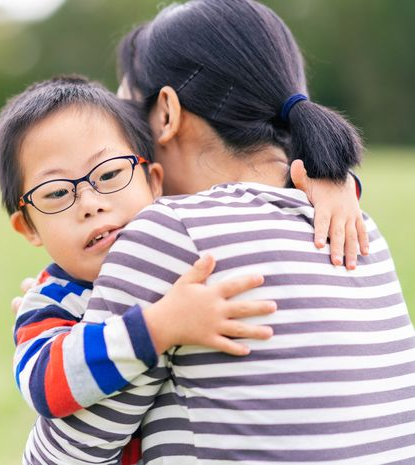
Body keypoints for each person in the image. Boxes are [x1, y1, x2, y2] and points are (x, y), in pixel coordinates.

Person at [63, 0, 414, 463]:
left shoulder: (170, 232)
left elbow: (67, 455)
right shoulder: (357, 227)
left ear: (165, 112)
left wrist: (46, 330)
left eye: (128, 118)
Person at [0, 75, 367, 464]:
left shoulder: (182, 241)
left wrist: (334, 185)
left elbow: (263, 203)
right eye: (55, 193)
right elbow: (44, 383)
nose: (89, 203)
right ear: (28, 227)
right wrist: (157, 327)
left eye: (108, 175)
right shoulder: (50, 302)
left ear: (156, 182)